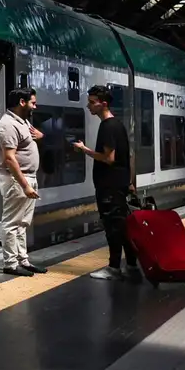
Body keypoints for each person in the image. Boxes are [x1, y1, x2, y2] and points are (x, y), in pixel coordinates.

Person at [73, 84, 138, 281]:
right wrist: (129, 182)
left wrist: (84, 149)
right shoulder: (118, 124)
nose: (89, 106)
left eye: (92, 102)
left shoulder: (107, 126)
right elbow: (129, 156)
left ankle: (114, 268)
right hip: (118, 183)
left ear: (103, 104)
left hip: (109, 186)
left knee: (113, 228)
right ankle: (132, 265)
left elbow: (109, 158)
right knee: (122, 226)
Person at [0, 87, 47, 276]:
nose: (35, 106)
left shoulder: (22, 121)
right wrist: (24, 185)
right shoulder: (8, 125)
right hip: (17, 180)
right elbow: (9, 159)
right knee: (12, 223)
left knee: (23, 223)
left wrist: (40, 137)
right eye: (33, 103)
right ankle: (10, 264)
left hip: (27, 178)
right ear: (22, 102)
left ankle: (22, 260)